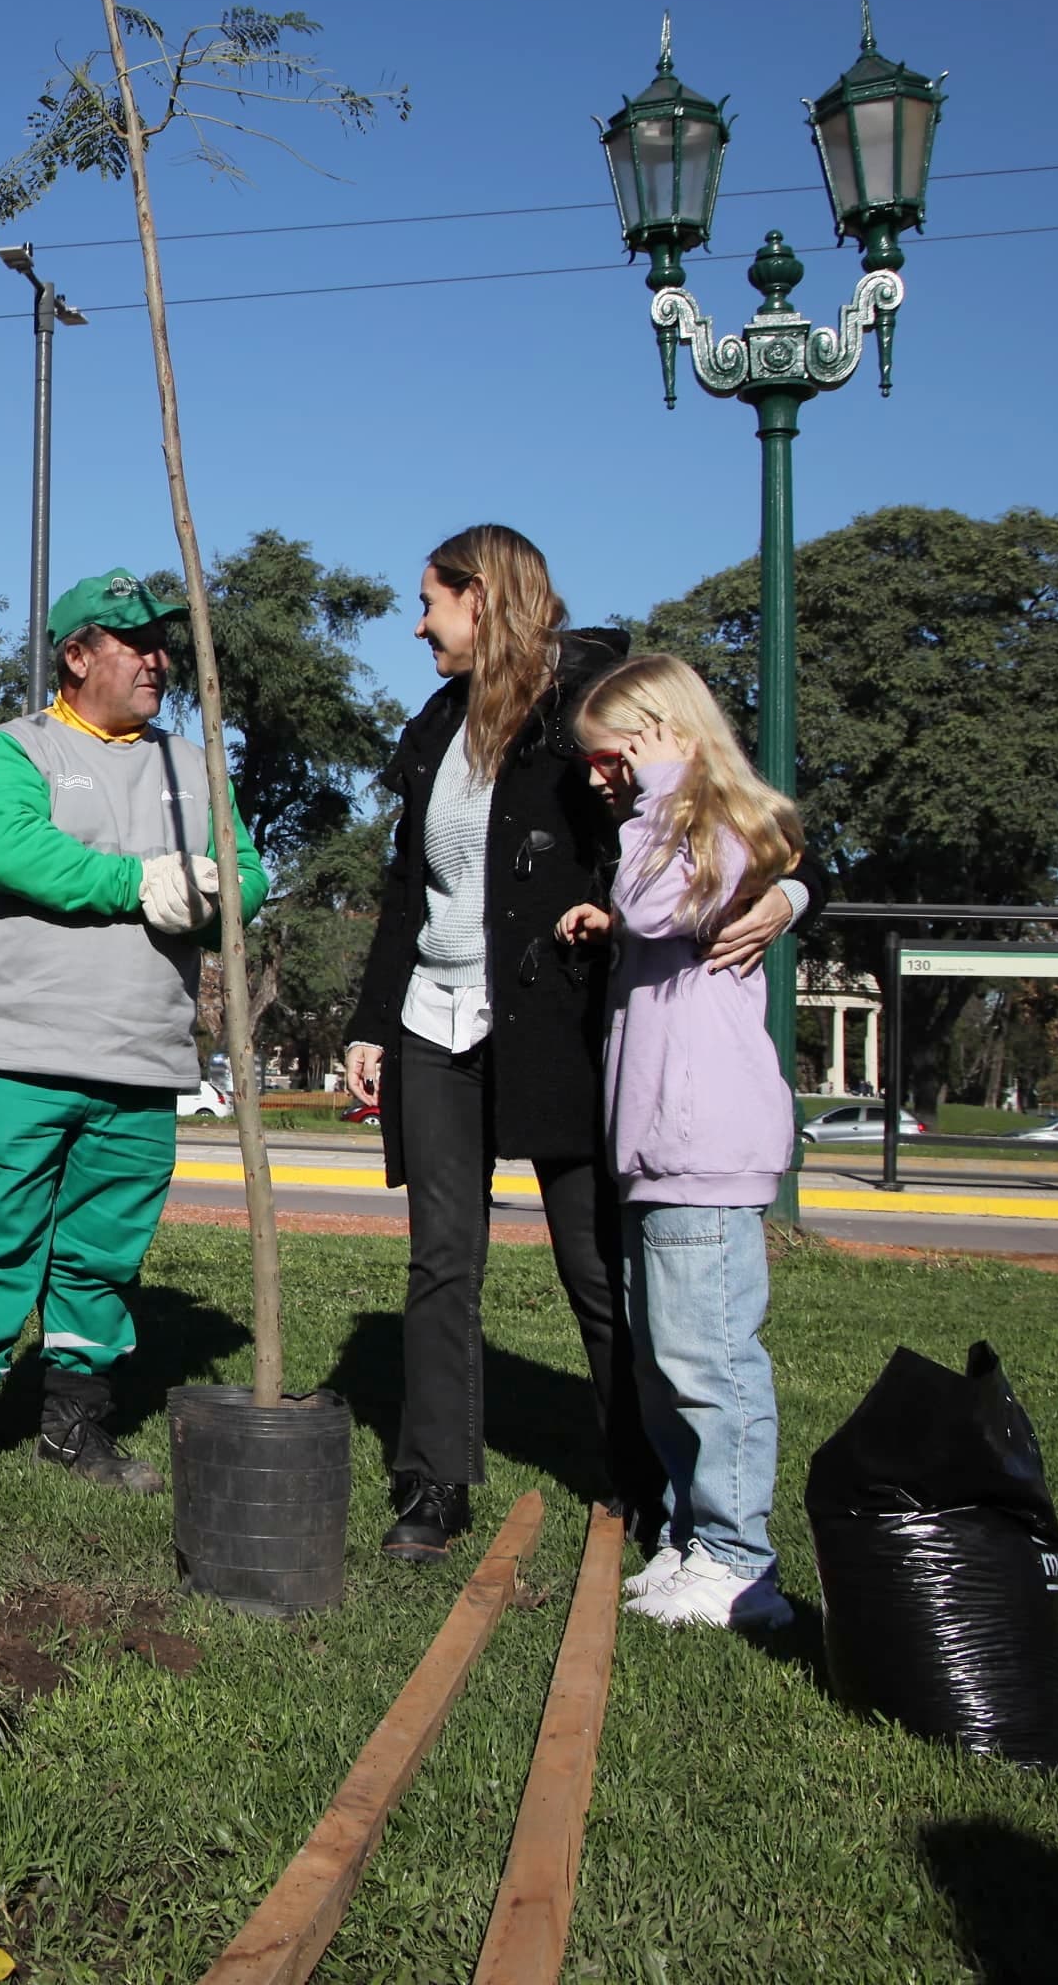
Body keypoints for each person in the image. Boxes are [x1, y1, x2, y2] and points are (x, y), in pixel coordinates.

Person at [339, 526, 816, 1564]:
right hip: (436, 1013)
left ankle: (648, 1482)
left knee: (595, 1263)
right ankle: (432, 1481)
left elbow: (725, 804)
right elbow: (405, 888)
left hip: (560, 1020)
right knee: (440, 1258)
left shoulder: (598, 698)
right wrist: (374, 1021)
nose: (418, 623)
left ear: (483, 597)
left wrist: (786, 892)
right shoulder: (434, 728)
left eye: (430, 601)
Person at [0, 570, 265, 1500]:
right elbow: (11, 850)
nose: (157, 659)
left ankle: (76, 1421)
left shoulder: (195, 766)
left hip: (146, 1055)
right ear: (77, 655)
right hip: (22, 1053)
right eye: (135, 643)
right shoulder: (15, 750)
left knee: (104, 1253)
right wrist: (143, 884)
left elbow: (246, 873)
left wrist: (218, 892)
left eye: (162, 642)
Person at [569, 653, 800, 1632]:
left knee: (711, 1362)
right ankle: (697, 1539)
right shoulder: (673, 826)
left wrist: (660, 784)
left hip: (704, 1146)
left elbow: (662, 904)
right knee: (666, 1362)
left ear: (660, 734)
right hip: (660, 1146)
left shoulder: (712, 821)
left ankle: (745, 1566)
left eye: (611, 754)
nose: (597, 776)